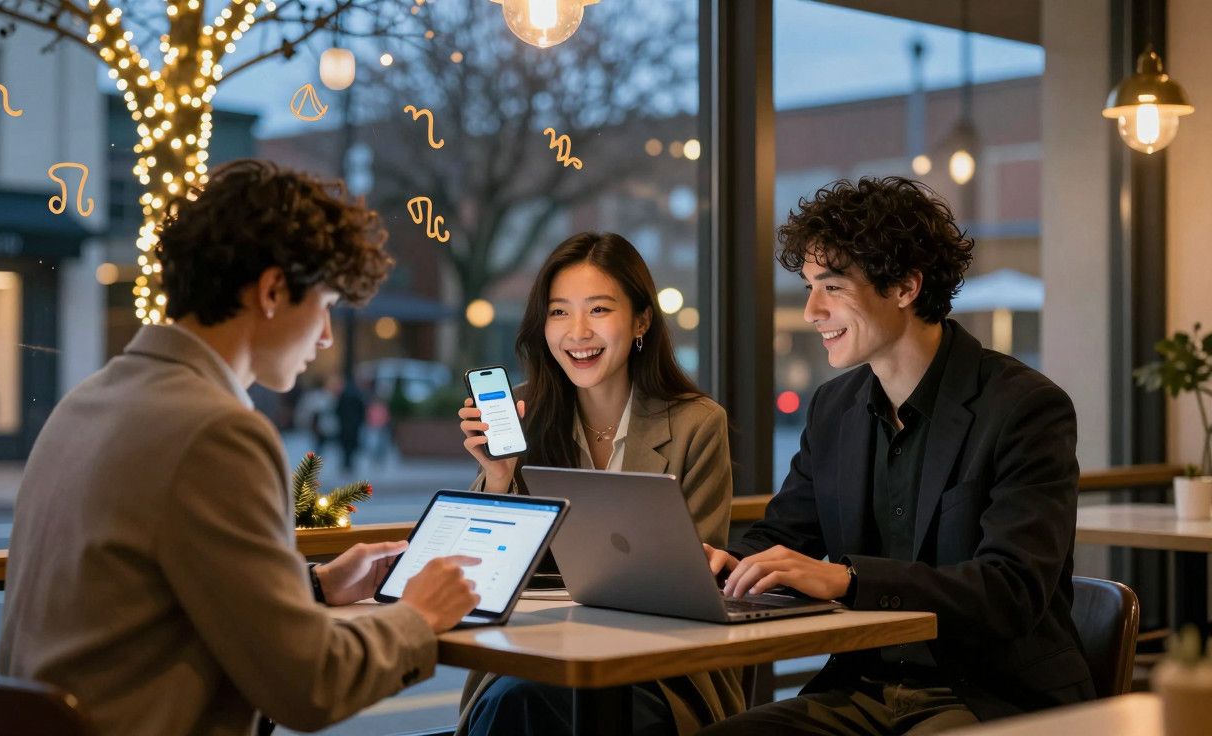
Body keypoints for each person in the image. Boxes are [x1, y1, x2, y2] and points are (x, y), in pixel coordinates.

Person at [0, 160, 482, 736]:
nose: (326, 336)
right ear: (273, 290)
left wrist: (315, 589)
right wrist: (418, 616)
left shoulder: (86, 402)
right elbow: (308, 687)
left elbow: (159, 609)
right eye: (325, 306)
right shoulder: (217, 431)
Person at [699, 177, 1093, 736]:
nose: (811, 310)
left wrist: (848, 579)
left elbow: (1010, 591)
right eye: (810, 286)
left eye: (831, 287)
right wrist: (727, 564)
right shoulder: (835, 408)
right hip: (862, 691)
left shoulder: (1025, 407)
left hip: (990, 695)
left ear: (906, 286)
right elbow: (786, 536)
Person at [456, 232, 741, 736]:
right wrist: (499, 479)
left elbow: (695, 583)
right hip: (534, 655)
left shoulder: (698, 424)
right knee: (523, 699)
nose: (578, 333)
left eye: (599, 310)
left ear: (641, 320)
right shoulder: (523, 415)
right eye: (560, 312)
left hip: (658, 668)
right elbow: (481, 578)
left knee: (538, 706)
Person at [335, 376, 367, 472]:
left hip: (344, 424)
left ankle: (346, 463)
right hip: (354, 424)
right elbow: (361, 410)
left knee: (345, 445)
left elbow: (338, 409)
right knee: (351, 445)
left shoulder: (343, 395)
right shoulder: (357, 394)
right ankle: (349, 463)